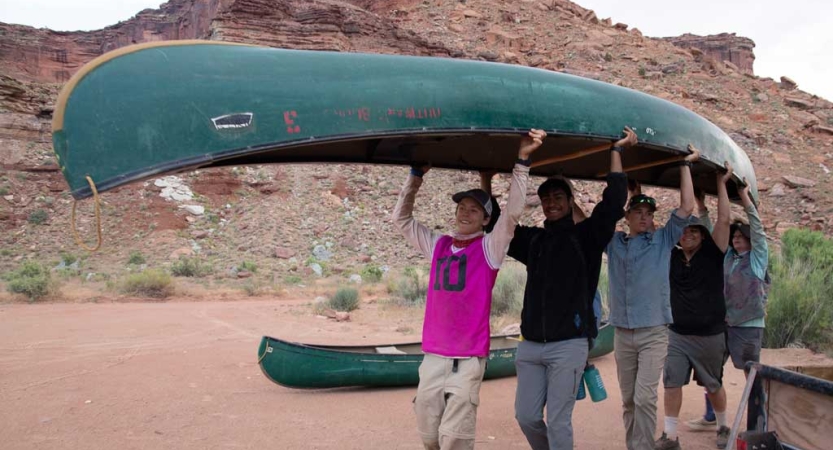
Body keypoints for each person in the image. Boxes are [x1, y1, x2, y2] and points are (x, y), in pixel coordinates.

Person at [392, 129, 546, 450]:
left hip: (467, 360)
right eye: (462, 206)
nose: (465, 212)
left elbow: (513, 214)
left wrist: (522, 161)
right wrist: (415, 177)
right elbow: (402, 220)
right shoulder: (438, 245)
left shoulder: (490, 249)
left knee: (455, 440)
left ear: (486, 219)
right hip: (433, 355)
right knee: (429, 436)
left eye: (474, 209)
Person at [505, 127, 636, 450]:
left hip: (570, 345)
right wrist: (486, 178)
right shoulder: (533, 241)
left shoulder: (586, 238)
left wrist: (616, 152)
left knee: (559, 419)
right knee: (526, 416)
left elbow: (614, 201)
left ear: (569, 201)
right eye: (546, 199)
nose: (551, 204)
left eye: (558, 198)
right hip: (531, 345)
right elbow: (498, 224)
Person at [606, 145, 700, 450]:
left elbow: (686, 206)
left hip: (653, 332)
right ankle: (634, 445)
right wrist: (566, 184)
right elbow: (588, 222)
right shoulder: (615, 243)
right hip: (622, 332)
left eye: (649, 213)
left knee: (645, 396)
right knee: (629, 399)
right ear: (628, 216)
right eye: (638, 212)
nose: (644, 217)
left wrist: (685, 164)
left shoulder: (662, 240)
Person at [655, 161, 734, 450]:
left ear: (702, 235)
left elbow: (724, 221)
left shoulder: (713, 254)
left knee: (712, 384)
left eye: (694, 232)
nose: (687, 235)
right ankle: (670, 436)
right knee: (672, 382)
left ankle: (723, 425)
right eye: (683, 231)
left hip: (710, 335)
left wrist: (721, 184)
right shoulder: (670, 256)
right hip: (677, 334)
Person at [688, 178, 770, 433]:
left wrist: (745, 197)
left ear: (749, 240)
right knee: (710, 370)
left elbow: (757, 228)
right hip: (723, 323)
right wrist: (701, 206)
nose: (735, 239)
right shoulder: (728, 259)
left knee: (750, 375)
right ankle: (712, 415)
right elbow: (713, 233)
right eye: (734, 236)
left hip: (748, 326)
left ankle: (758, 423)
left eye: (740, 236)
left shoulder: (757, 259)